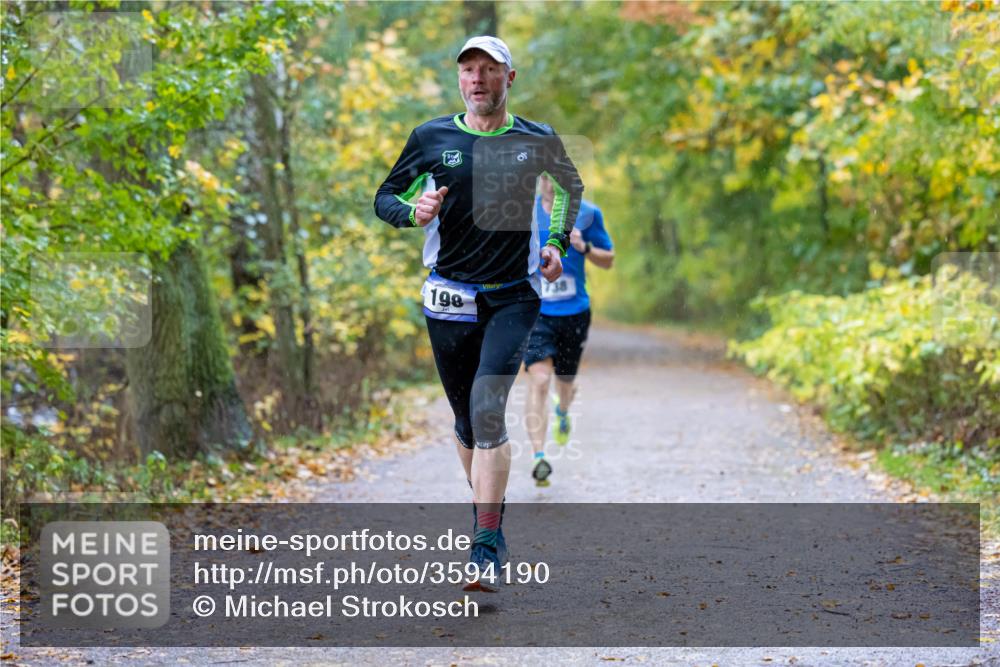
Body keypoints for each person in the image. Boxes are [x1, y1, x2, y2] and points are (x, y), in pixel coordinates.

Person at [373, 35, 584, 591]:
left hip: (514, 293)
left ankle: (485, 545)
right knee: (466, 423)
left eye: (489, 70)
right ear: (460, 80)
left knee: (488, 408)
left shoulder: (535, 139)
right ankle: (486, 519)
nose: (477, 79)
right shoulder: (431, 138)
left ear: (508, 78)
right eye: (468, 70)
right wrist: (411, 212)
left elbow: (568, 186)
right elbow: (384, 198)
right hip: (448, 297)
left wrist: (557, 242)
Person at [523, 175, 614, 486]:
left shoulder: (588, 213)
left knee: (564, 381)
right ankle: (539, 457)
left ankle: (562, 411)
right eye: (544, 175)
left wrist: (583, 247)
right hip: (536, 311)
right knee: (538, 378)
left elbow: (609, 260)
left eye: (556, 176)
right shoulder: (523, 212)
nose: (549, 182)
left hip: (574, 312)